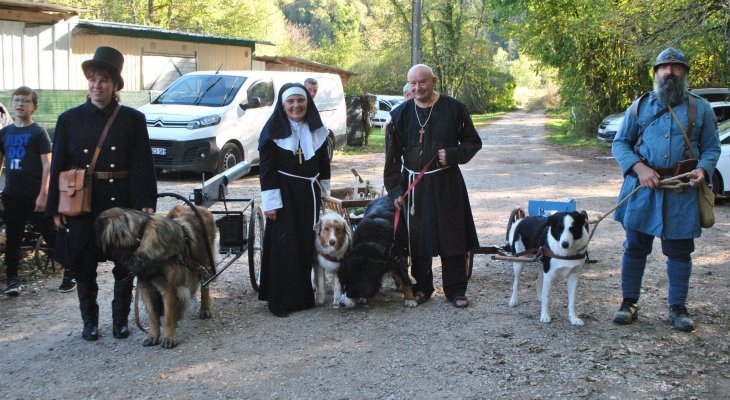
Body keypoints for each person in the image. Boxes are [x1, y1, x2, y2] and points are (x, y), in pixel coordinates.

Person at [46, 46, 158, 340]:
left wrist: (145, 202)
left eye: (104, 80)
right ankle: (90, 322)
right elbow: (57, 164)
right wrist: (55, 206)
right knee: (83, 265)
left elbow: (142, 163)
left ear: (115, 85)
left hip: (119, 202)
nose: (98, 86)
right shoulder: (69, 119)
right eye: (93, 80)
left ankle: (120, 320)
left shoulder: (132, 119)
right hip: (83, 204)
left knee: (124, 265)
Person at [611, 47, 720, 332]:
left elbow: (711, 147)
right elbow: (620, 143)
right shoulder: (639, 106)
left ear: (684, 73)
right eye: (664, 68)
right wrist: (639, 168)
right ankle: (629, 303)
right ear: (656, 73)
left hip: (681, 192)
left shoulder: (701, 108)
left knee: (680, 252)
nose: (670, 72)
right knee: (634, 248)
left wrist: (703, 169)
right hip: (642, 190)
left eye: (676, 68)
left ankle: (677, 308)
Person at [384, 64, 482, 308]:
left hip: (447, 182)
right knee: (418, 239)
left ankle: (456, 291)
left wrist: (453, 154)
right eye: (413, 83)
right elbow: (392, 159)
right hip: (414, 186)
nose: (417, 88)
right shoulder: (400, 115)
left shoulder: (454, 109)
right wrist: (395, 191)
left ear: (434, 81)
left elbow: (472, 142)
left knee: (452, 236)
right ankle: (423, 288)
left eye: (422, 82)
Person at [258, 82, 331, 317]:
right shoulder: (271, 132)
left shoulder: (318, 130)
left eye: (300, 100)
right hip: (283, 194)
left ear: (307, 103)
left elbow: (324, 166)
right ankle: (279, 300)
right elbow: (266, 171)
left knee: (304, 244)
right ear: (282, 105)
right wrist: (271, 203)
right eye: (290, 101)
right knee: (283, 244)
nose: (296, 105)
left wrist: (324, 193)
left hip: (308, 193)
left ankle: (302, 297)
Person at [0, 87, 61, 296]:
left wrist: (44, 194)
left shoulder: (38, 132)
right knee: (13, 238)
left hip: (36, 196)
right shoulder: (4, 133)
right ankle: (12, 279)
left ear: (34, 107)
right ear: (11, 104)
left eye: (25, 101)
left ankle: (71, 270)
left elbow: (47, 165)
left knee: (51, 235)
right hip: (12, 195)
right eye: (16, 100)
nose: (20, 104)